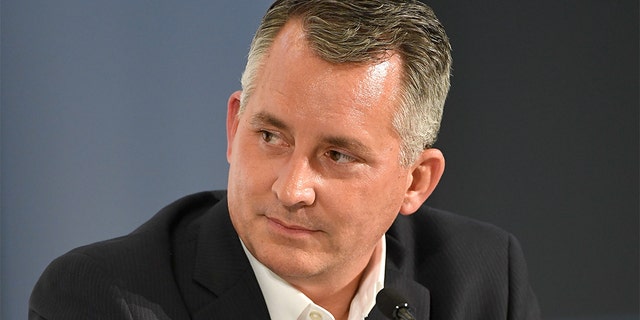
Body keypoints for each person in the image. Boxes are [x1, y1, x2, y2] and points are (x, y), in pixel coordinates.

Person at [29, 0, 541, 319]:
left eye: (337, 154)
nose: (291, 189)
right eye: (271, 136)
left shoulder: (483, 278)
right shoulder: (102, 298)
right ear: (234, 127)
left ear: (416, 181)